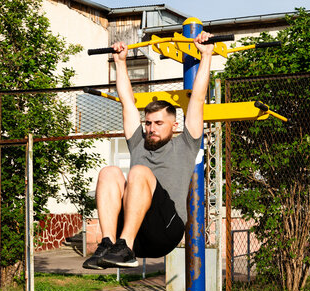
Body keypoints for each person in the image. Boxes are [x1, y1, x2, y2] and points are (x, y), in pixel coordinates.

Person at [83, 31, 214, 269]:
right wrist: (120, 62)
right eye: (149, 123)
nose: (151, 128)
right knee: (109, 172)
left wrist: (206, 56)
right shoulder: (139, 142)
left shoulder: (185, 144)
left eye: (159, 123)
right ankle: (108, 243)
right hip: (136, 229)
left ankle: (125, 247)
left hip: (165, 231)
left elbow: (197, 99)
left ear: (174, 125)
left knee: (139, 172)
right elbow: (127, 101)